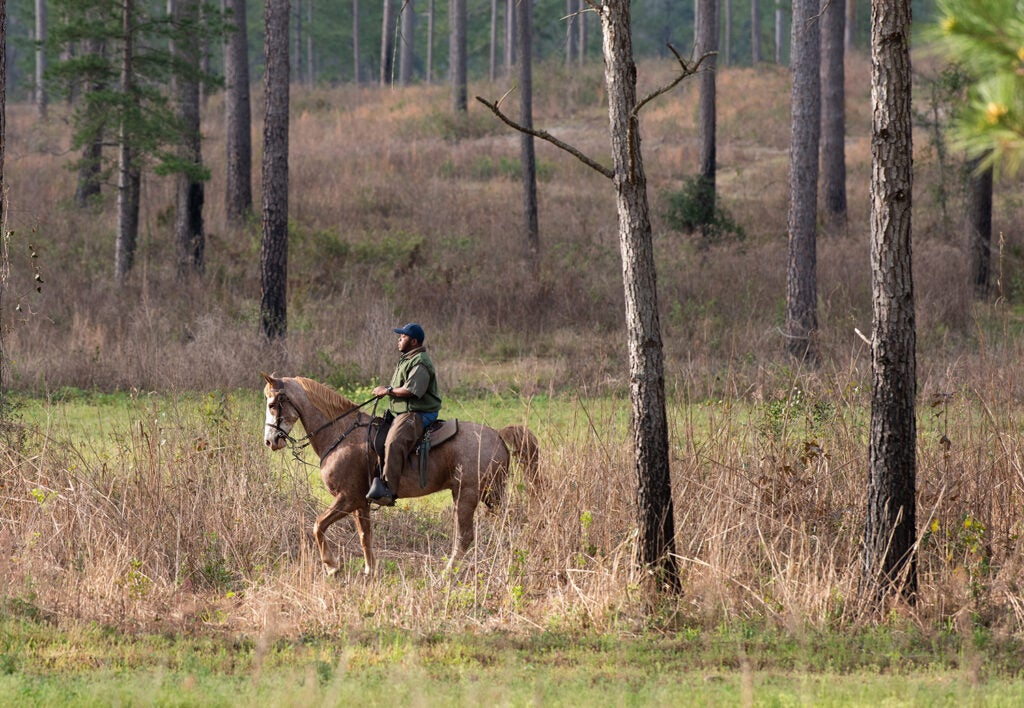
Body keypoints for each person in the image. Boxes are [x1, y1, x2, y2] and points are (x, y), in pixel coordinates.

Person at [367, 323, 442, 506]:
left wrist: (388, 390)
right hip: (403, 411)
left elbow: (411, 391)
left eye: (403, 337)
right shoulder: (408, 358)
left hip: (418, 413)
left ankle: (389, 490)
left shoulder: (420, 361)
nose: (399, 339)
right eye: (399, 336)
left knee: (394, 441)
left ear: (414, 341)